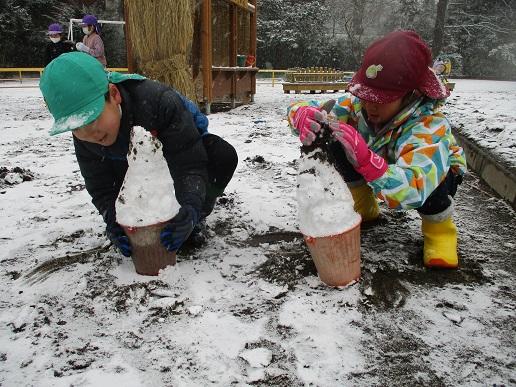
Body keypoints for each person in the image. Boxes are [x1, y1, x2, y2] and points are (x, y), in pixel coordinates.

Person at [288, 30, 467, 269]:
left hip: (426, 179)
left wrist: (371, 165)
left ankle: (440, 231)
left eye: (382, 99)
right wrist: (301, 115)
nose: (370, 105)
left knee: (436, 178)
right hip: (376, 163)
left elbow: (415, 186)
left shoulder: (428, 126)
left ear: (411, 94)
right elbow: (317, 111)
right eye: (366, 95)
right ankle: (365, 205)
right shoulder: (358, 106)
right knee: (333, 138)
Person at [39, 52, 238, 256]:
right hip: (130, 166)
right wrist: (114, 221)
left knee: (221, 155)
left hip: (176, 158)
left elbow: (190, 164)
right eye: (77, 128)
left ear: (114, 95)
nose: (90, 133)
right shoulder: (85, 135)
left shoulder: (158, 102)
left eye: (92, 120)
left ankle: (198, 216)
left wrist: (191, 208)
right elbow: (101, 186)